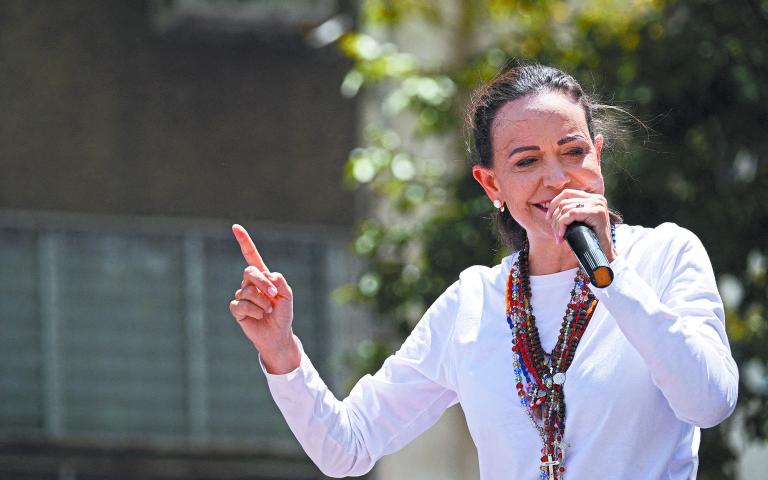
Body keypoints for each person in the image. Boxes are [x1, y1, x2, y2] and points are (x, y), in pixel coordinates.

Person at [228, 64, 738, 479]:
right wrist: (280, 352)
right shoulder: (473, 302)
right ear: (491, 184)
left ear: (598, 155)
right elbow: (348, 447)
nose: (556, 179)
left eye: (573, 152)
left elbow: (709, 402)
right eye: (526, 162)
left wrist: (612, 274)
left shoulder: (666, 256)